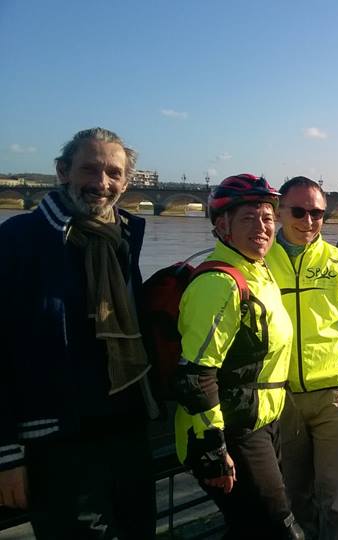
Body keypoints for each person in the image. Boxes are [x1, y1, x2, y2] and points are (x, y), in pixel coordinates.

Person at [0, 128, 157, 538]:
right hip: (57, 444)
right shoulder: (18, 242)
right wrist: (6, 456)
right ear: (62, 171)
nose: (101, 184)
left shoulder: (122, 238)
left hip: (127, 433)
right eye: (90, 169)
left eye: (113, 173)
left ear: (126, 182)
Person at [175, 174, 303, 539]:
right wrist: (213, 448)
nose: (261, 227)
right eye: (248, 218)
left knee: (248, 528)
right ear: (222, 226)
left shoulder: (259, 274)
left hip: (261, 421)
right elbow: (196, 373)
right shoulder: (220, 283)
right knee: (280, 529)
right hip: (231, 431)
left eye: (267, 217)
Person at [265, 176, 338, 540]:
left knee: (336, 494)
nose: (309, 220)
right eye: (299, 211)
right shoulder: (259, 263)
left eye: (317, 212)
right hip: (280, 397)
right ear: (279, 212)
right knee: (294, 494)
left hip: (335, 396)